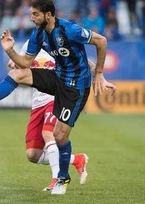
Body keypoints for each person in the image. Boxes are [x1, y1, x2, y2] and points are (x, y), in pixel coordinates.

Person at [0, 0, 117, 195]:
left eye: (35, 14)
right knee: (17, 74)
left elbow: (101, 41)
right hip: (58, 78)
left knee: (59, 136)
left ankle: (62, 177)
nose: (31, 18)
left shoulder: (70, 30)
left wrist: (100, 74)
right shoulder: (38, 34)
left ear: (48, 14)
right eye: (31, 14)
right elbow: (25, 62)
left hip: (76, 88)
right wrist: (10, 51)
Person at [8, 41, 90, 191]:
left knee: (49, 134)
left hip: (55, 98)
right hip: (37, 102)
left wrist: (85, 90)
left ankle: (56, 180)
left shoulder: (59, 43)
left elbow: (85, 64)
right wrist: (14, 63)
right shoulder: (30, 44)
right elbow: (19, 63)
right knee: (32, 154)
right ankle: (76, 159)